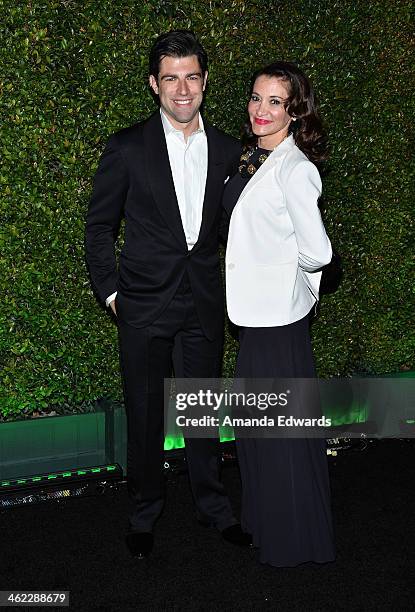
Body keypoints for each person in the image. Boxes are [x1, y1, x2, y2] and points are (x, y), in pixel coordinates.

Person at [85, 30, 251, 559]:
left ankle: (214, 508)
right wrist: (112, 294)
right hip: (142, 305)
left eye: (192, 77)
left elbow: (244, 228)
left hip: (202, 303)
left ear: (204, 82)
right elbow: (99, 227)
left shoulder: (230, 151)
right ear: (154, 85)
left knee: (203, 415)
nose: (183, 90)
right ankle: (144, 513)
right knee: (145, 414)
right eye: (171, 78)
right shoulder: (128, 146)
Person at [223, 61, 336, 567]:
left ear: (295, 112)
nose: (261, 110)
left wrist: (293, 287)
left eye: (275, 102)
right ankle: (269, 526)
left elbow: (318, 252)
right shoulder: (253, 158)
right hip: (255, 319)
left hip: (277, 322)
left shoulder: (295, 168)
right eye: (256, 98)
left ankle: (294, 543)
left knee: (281, 434)